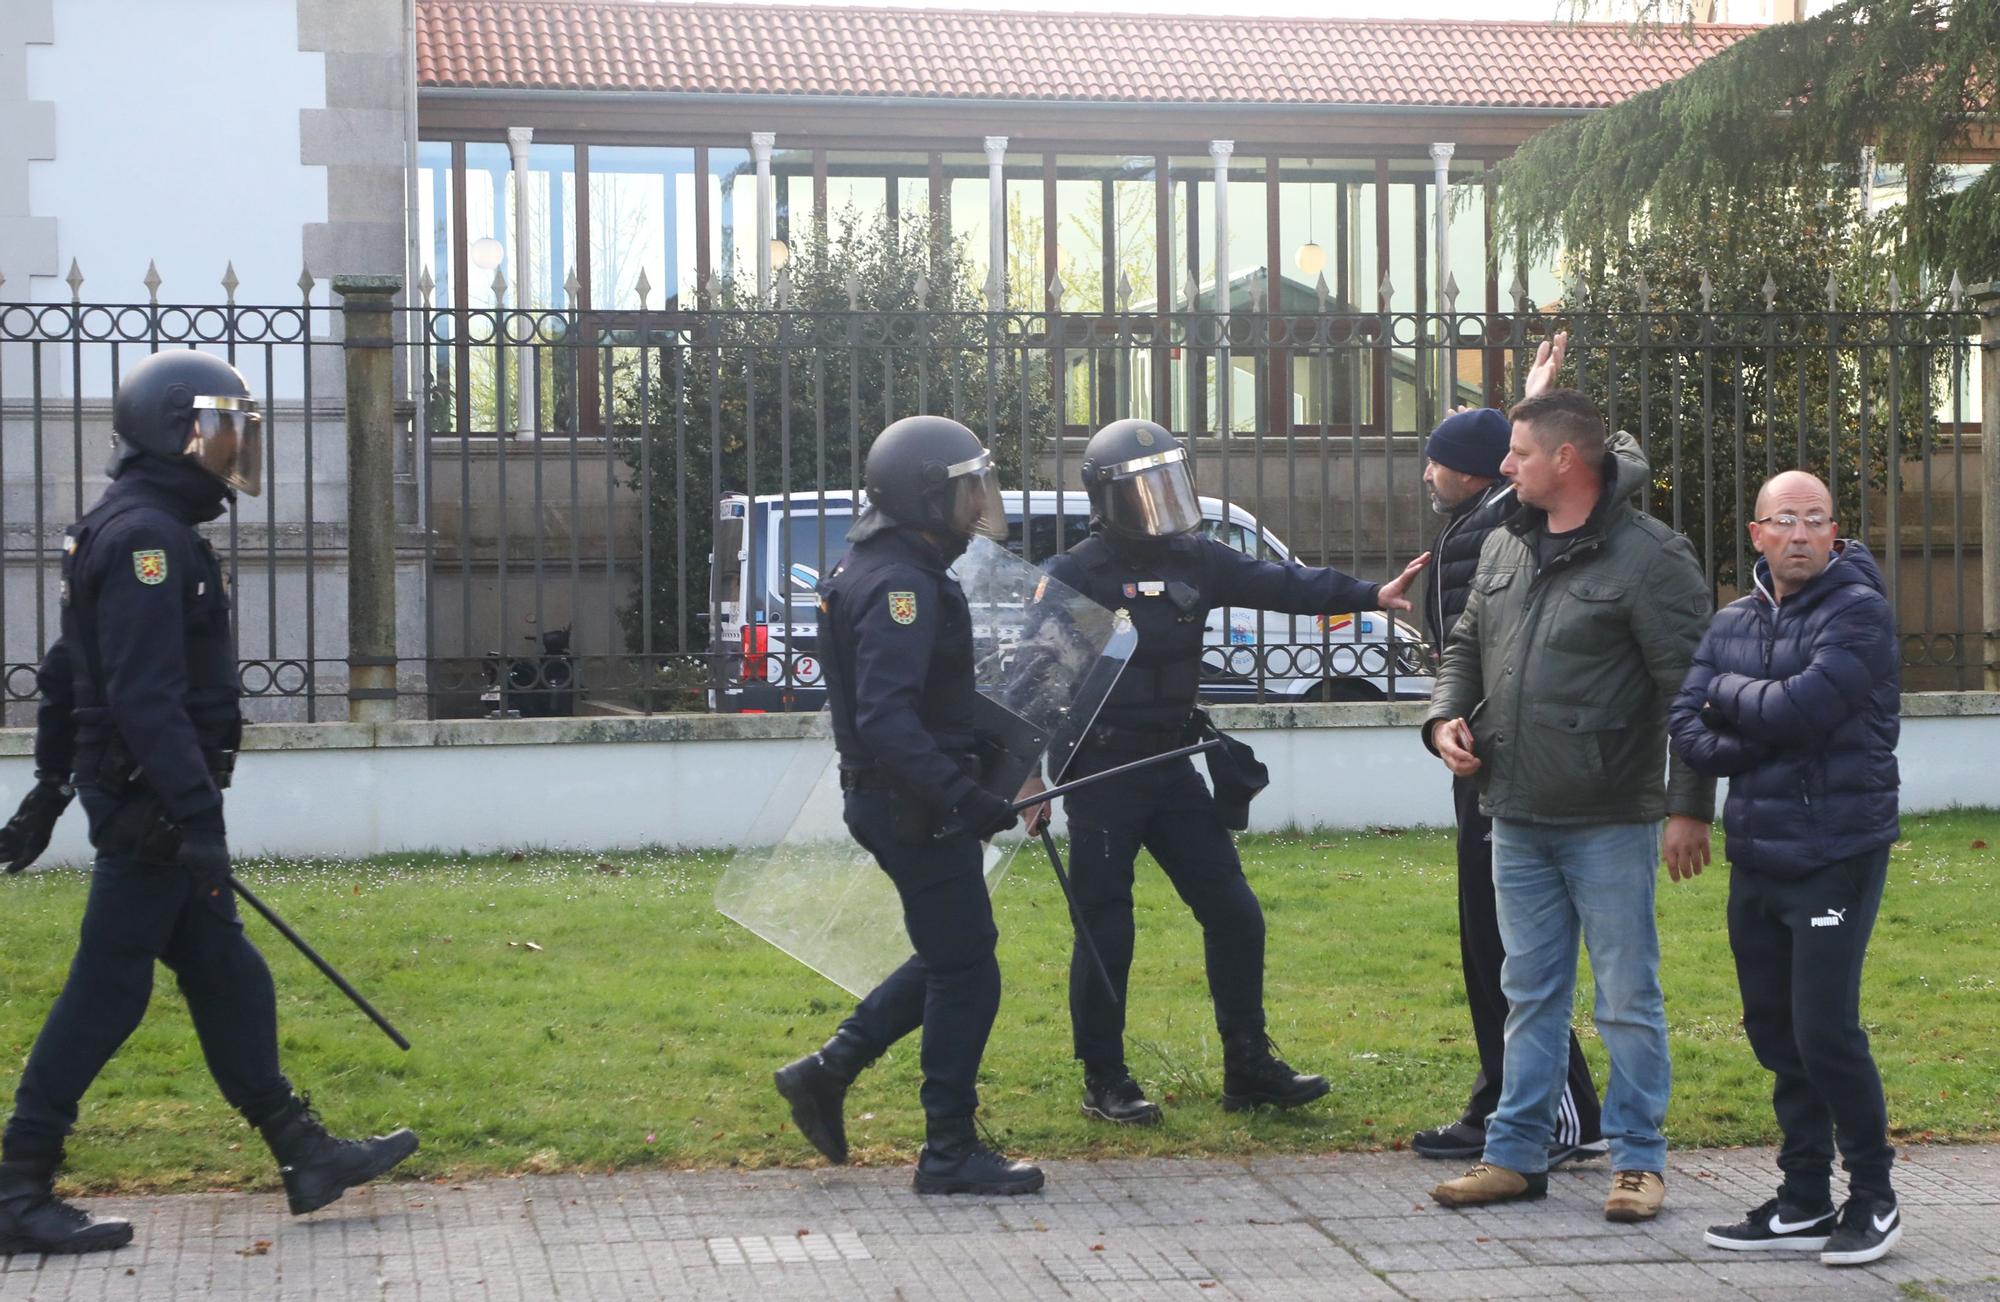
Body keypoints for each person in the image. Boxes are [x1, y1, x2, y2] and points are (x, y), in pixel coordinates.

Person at [0, 350, 418, 1258]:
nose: (234, 449)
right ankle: (17, 1184)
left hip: (141, 799)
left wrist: (50, 785)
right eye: (221, 429)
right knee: (107, 992)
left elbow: (70, 672)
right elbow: (143, 698)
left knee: (228, 974)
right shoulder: (151, 542)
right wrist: (193, 818)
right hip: (152, 807)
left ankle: (303, 1153)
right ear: (173, 431)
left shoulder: (118, 526)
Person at [1032, 418, 1428, 1126]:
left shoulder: (1199, 558)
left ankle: (1248, 1066)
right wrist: (1029, 780)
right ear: (1107, 497)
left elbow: (1284, 583)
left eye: (1168, 483)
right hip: (1100, 770)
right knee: (1106, 927)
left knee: (1234, 913)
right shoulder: (1074, 575)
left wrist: (1370, 595)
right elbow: (1034, 681)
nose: (1160, 502)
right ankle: (1105, 1077)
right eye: (1142, 489)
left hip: (1174, 761)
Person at [1423, 389, 1714, 1224]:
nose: (1503, 468)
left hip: (1611, 818)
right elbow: (1468, 647)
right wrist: (1444, 718)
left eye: (1516, 454)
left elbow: (1694, 692)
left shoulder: (1653, 558)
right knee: (1530, 992)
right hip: (1512, 810)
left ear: (1565, 462)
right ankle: (1515, 1155)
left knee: (1627, 995)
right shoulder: (1505, 544)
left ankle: (1638, 1162)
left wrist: (1688, 807)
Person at [771, 415, 1044, 1196]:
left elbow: (934, 701)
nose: (978, 503)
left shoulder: (881, 564)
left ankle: (828, 1071)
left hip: (903, 801)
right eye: (966, 490)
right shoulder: (900, 585)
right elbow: (890, 719)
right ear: (928, 496)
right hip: (913, 807)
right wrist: (965, 796)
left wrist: (1001, 770)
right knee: (968, 970)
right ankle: (949, 1151)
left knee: (950, 952)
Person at [1410, 335, 1636, 1170]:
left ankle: (1560, 1111)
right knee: (1490, 939)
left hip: (1508, 761)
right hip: (1476, 748)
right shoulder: (1480, 526)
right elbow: (1472, 638)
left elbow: (1493, 637)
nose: (1428, 474)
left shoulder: (1501, 522)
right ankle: (1505, 1096)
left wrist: (1540, 398)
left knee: (1512, 944)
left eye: (1440, 461)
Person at [1669, 470, 1902, 1267]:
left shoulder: (1859, 612)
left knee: (1824, 1030)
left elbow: (1806, 709)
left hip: (1837, 850)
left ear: (1835, 531)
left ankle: (1874, 1195)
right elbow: (1684, 722)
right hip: (1757, 854)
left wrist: (1731, 702)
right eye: (1784, 521)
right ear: (1756, 532)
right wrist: (1758, 714)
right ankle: (1804, 1196)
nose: (1800, 534)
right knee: (1774, 1031)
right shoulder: (1731, 619)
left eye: (1815, 520)